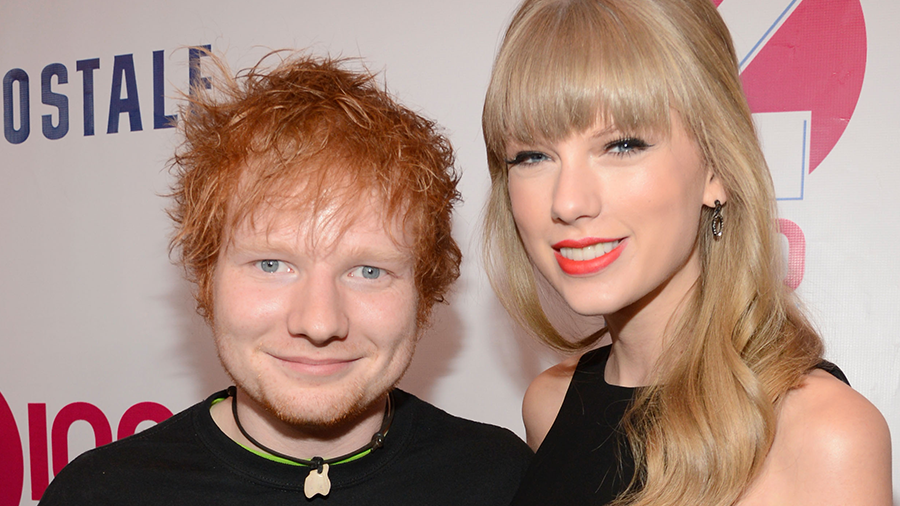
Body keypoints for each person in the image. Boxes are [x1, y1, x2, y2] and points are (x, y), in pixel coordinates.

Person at [39, 51, 532, 505]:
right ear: (207, 276)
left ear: (424, 292)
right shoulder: (100, 494)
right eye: (272, 265)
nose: (319, 323)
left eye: (368, 271)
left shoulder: (505, 482)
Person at [481, 0, 891, 505]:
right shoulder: (549, 406)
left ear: (717, 168)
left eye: (623, 145)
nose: (567, 202)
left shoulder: (821, 436)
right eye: (532, 156)